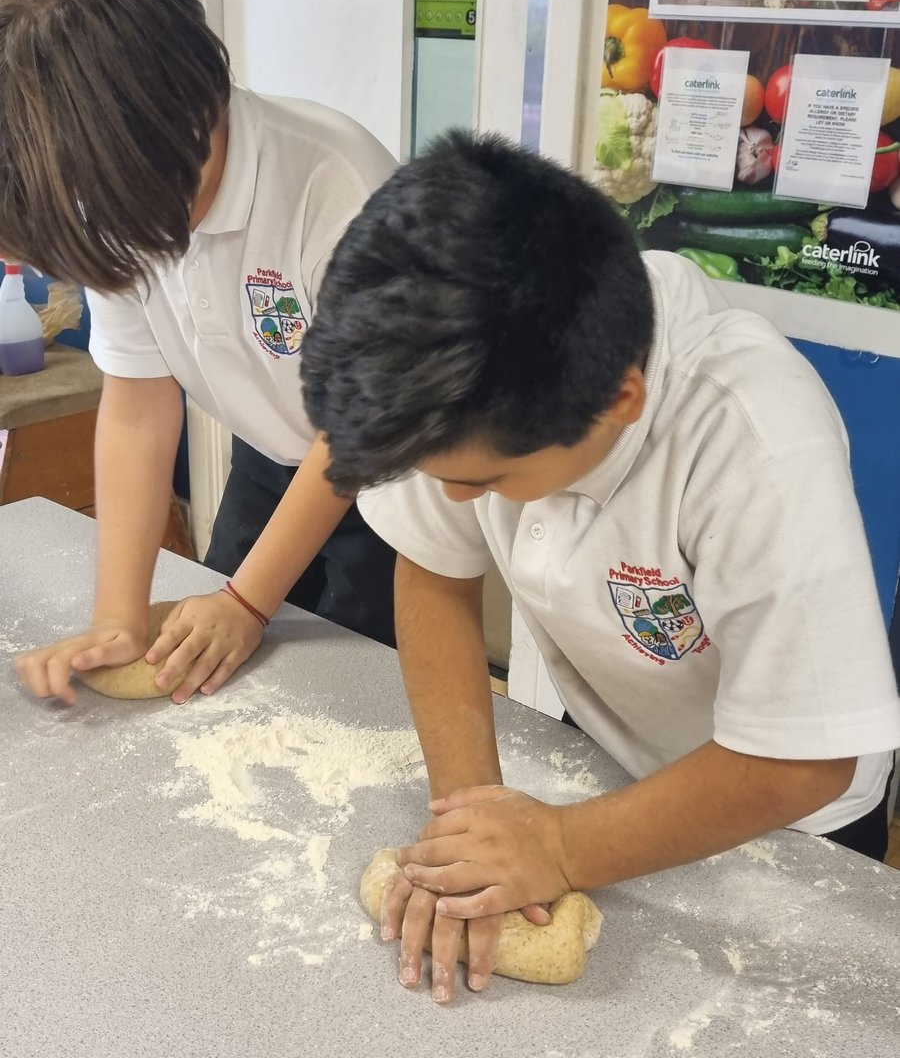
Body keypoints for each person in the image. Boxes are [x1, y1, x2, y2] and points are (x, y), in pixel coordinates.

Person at [300, 130, 900, 1003]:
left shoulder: (754, 437)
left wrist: (563, 848)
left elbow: (805, 762)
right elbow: (434, 570)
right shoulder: (476, 383)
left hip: (787, 818)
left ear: (621, 401)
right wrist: (475, 821)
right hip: (620, 756)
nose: (462, 502)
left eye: (489, 482)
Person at [2, 0, 397, 706]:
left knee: (351, 692)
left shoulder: (337, 186)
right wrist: (118, 615)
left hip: (392, 478)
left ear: (176, 128)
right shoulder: (108, 192)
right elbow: (140, 404)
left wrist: (249, 603)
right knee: (219, 663)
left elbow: (357, 432)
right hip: (268, 452)